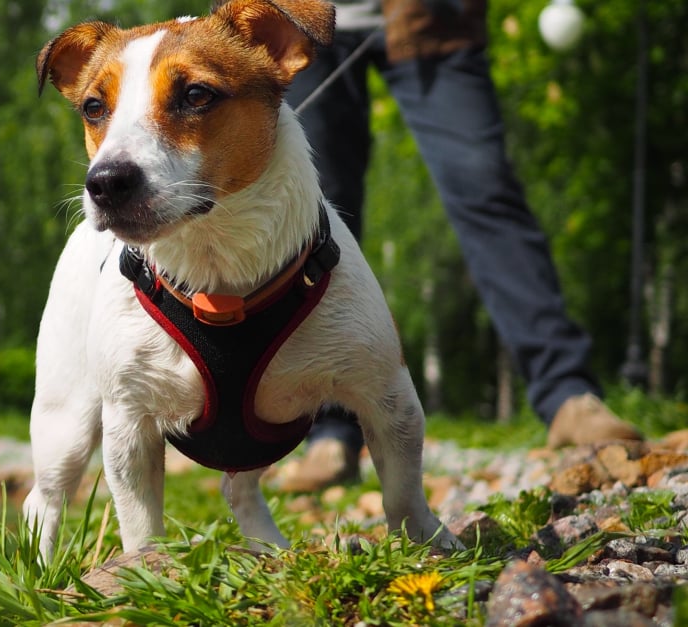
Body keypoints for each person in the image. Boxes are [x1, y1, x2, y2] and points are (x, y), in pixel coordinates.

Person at [275, 0, 643, 491]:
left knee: (486, 190)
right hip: (302, 25)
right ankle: (329, 432)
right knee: (315, 217)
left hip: (432, 20)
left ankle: (568, 395)